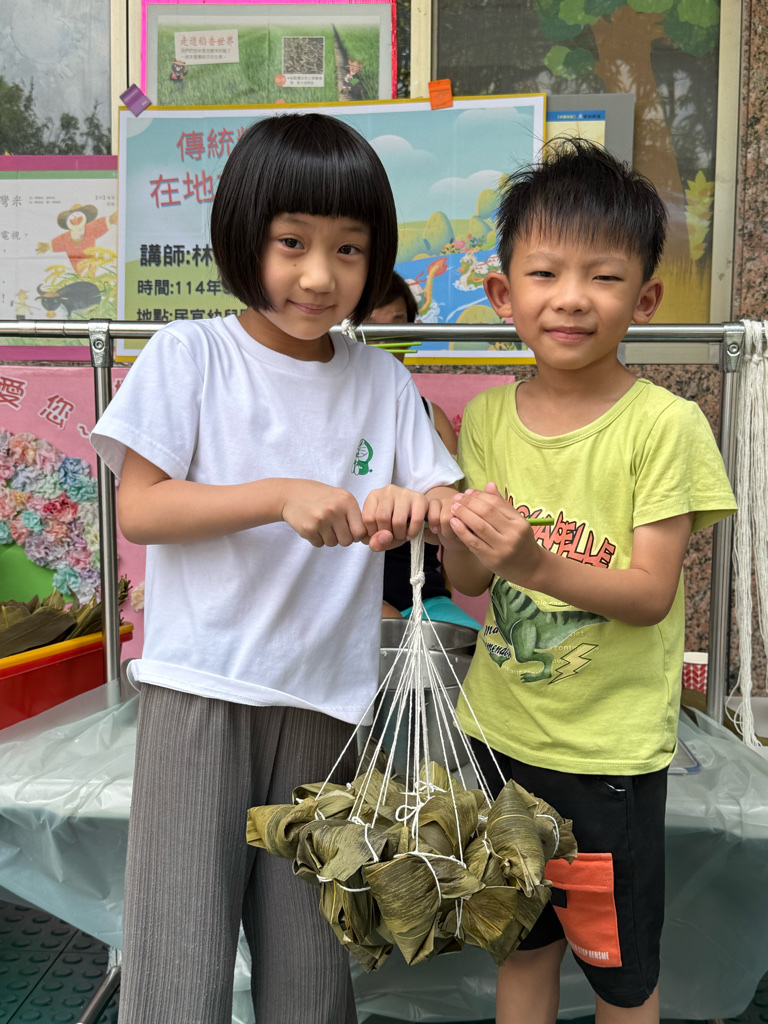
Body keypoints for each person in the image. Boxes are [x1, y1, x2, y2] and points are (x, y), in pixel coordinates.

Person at [90, 112, 461, 1024]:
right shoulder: (192, 354)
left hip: (326, 704)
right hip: (202, 689)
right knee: (180, 959)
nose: (318, 276)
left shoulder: (382, 382)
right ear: (243, 236)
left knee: (311, 968)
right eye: (292, 242)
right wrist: (278, 494)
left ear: (375, 261)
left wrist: (417, 509)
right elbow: (142, 508)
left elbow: (442, 509)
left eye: (348, 249)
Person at [433, 140, 737, 1024]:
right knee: (522, 949)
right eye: (545, 274)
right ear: (503, 295)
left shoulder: (665, 426)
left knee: (617, 975)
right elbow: (468, 581)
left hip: (606, 760)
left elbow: (649, 596)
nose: (570, 298)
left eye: (603, 278)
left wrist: (534, 561)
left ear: (644, 300)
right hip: (500, 739)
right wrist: (453, 521)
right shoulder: (488, 417)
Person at [364, 272, 480, 630]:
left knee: (483, 652)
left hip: (422, 596)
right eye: (371, 326)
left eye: (398, 325)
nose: (386, 341)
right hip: (345, 599)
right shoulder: (324, 413)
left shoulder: (430, 415)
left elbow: (446, 526)